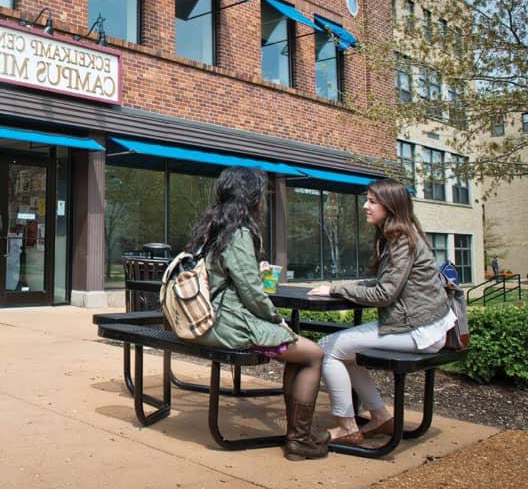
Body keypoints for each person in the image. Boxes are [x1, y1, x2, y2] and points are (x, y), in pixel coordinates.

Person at [190, 167, 328, 461]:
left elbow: (229, 274)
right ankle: (300, 439)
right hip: (230, 324)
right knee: (313, 354)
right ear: (250, 196)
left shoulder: (214, 229)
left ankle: (298, 435)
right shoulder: (238, 232)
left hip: (210, 320)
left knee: (300, 354)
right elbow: (252, 293)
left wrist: (255, 269)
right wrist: (276, 318)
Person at [309, 178, 455, 444]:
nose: (365, 206)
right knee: (345, 353)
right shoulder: (397, 235)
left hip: (420, 330)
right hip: (420, 325)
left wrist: (335, 290)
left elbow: (383, 294)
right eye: (367, 200)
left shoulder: (401, 240)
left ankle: (347, 427)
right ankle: (379, 417)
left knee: (327, 348)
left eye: (372, 201)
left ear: (390, 205)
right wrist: (335, 286)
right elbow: (382, 283)